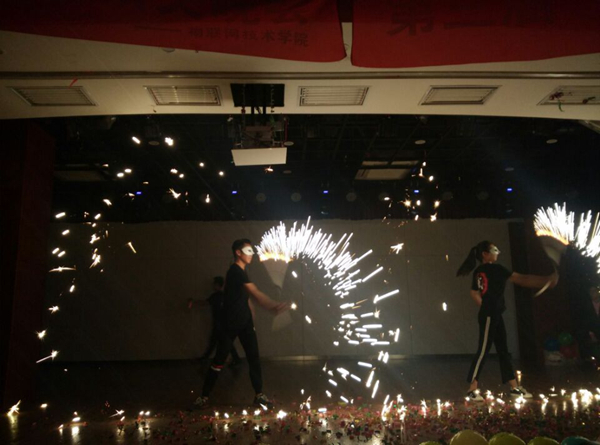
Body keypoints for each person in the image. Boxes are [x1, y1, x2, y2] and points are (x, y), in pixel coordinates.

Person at [193, 239, 290, 409]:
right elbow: (255, 293)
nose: (252, 254)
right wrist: (272, 305)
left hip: (245, 323)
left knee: (254, 359)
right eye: (248, 251)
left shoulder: (242, 272)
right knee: (219, 361)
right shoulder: (235, 271)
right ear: (238, 253)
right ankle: (203, 397)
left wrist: (251, 311)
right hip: (230, 323)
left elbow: (245, 296)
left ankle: (259, 395)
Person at [457, 240, 558, 402]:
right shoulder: (496, 269)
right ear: (485, 254)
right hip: (490, 314)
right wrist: (546, 280)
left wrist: (486, 306)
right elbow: (522, 279)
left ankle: (514, 387)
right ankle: (472, 389)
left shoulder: (479, 270)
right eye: (494, 250)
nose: (498, 252)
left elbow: (474, 292)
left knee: (503, 350)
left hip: (493, 314)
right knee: (483, 350)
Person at [198, 277, 241, 364]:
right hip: (225, 323)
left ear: (217, 285)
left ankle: (205, 357)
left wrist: (194, 302)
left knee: (215, 341)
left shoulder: (216, 296)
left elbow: (205, 303)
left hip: (218, 323)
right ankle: (236, 359)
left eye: (214, 284)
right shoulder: (226, 296)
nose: (213, 286)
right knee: (224, 342)